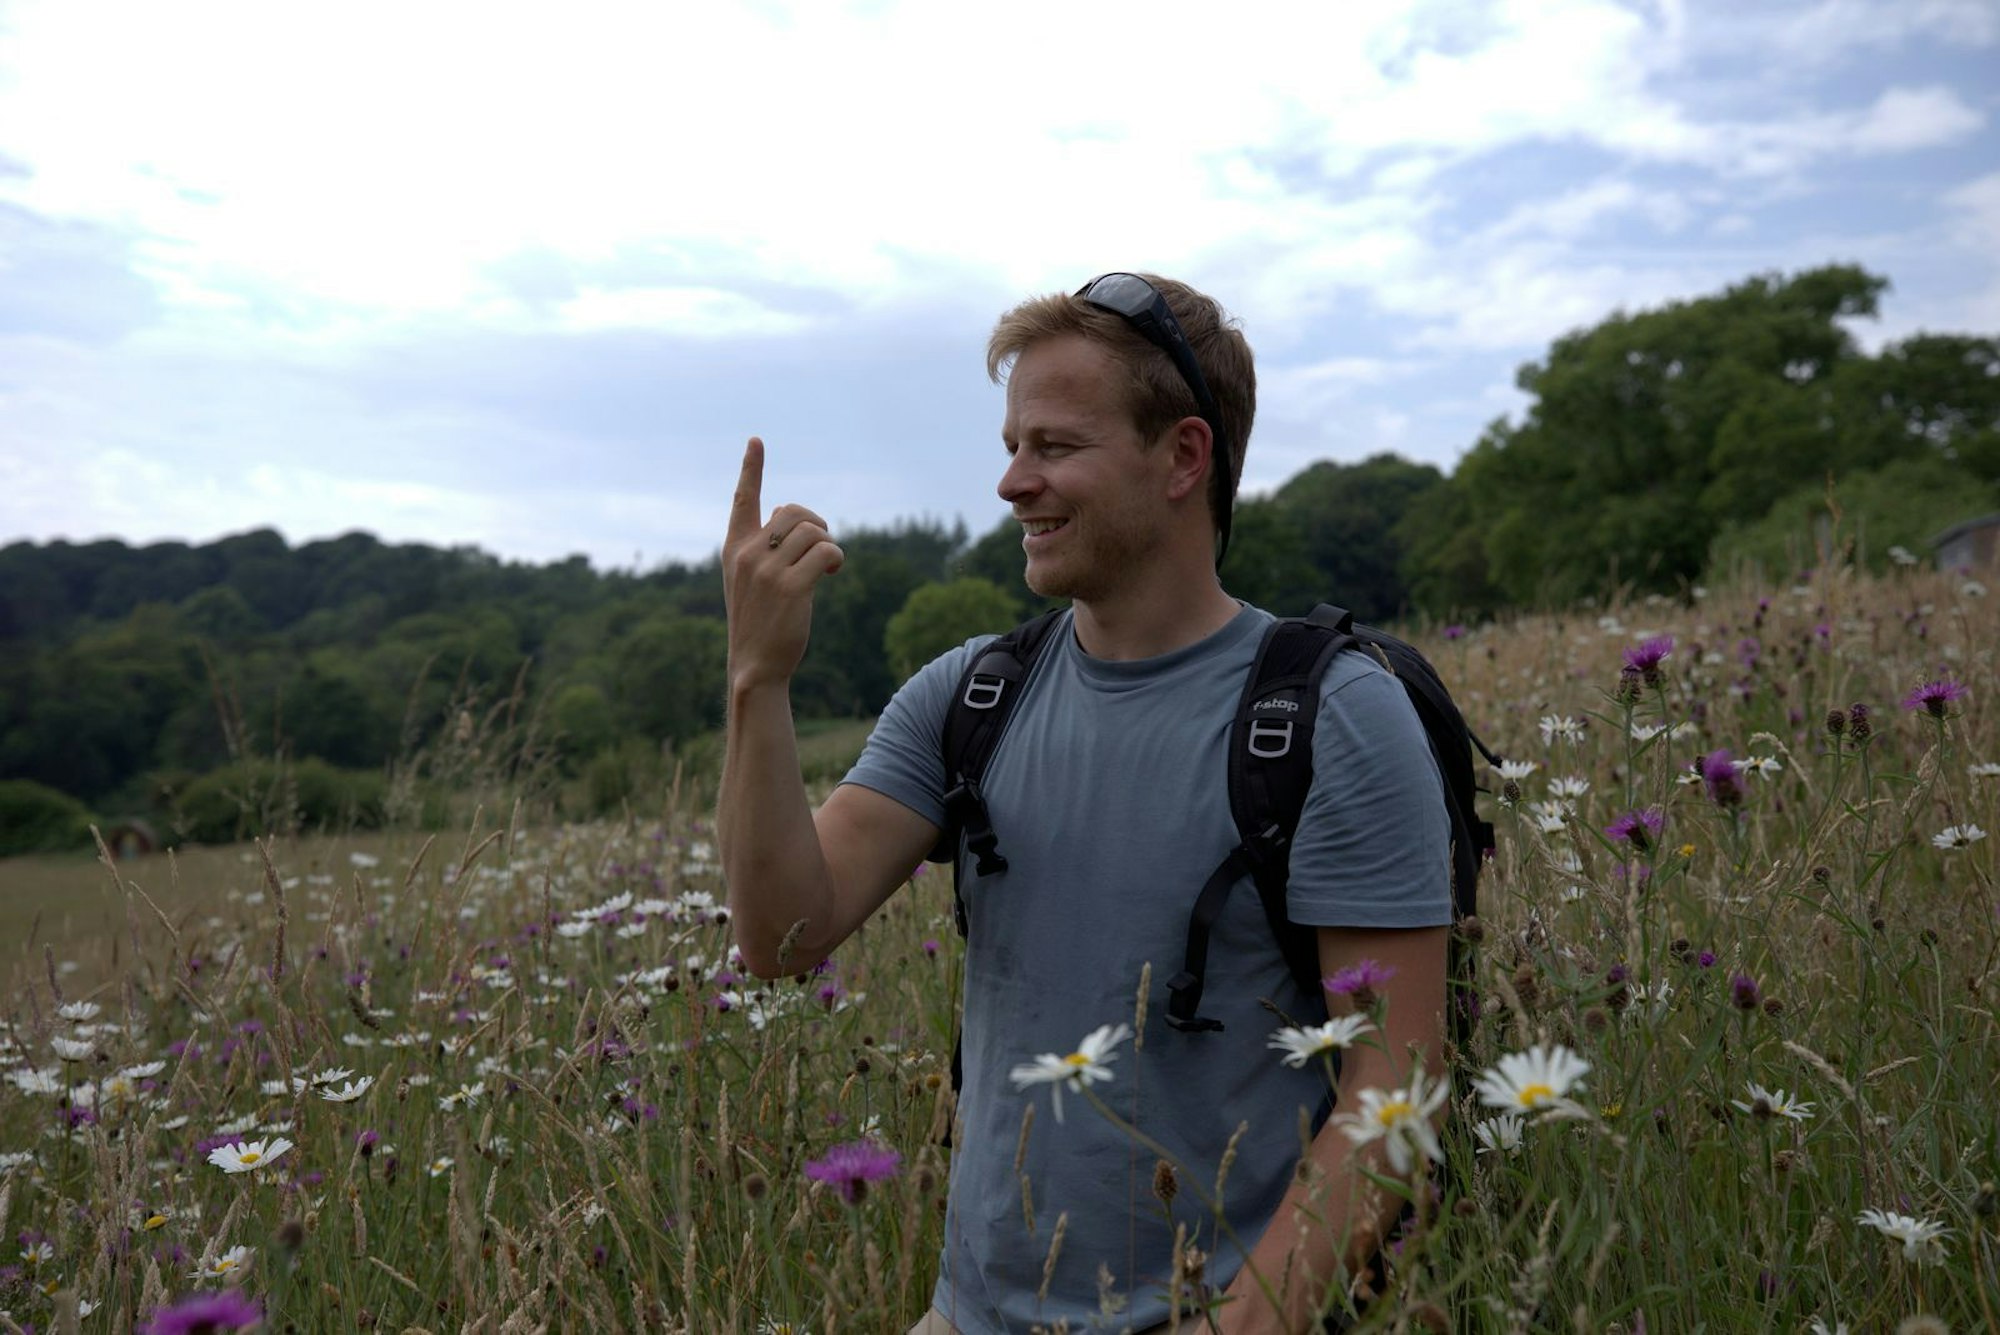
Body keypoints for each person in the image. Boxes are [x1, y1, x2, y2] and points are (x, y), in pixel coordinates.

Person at [720, 273, 1452, 1334]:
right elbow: (781, 938)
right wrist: (757, 682)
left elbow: (1394, 1098)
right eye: (1011, 444)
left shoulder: (1330, 716)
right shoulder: (970, 694)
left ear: (1182, 458)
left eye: (1053, 446)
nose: (1013, 482)